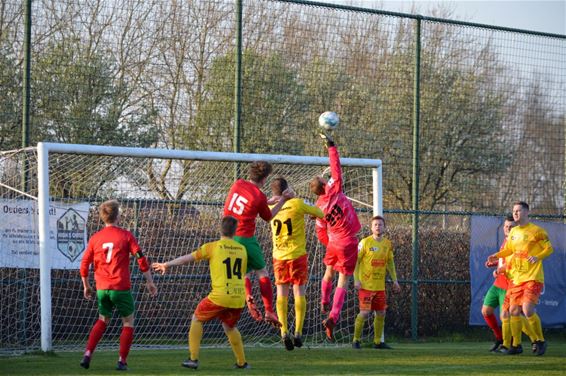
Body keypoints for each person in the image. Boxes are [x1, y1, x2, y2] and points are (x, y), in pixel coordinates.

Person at [152, 216, 250, 370]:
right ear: (235, 231)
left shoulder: (212, 247)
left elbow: (187, 259)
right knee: (229, 327)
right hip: (238, 297)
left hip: (220, 295)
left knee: (197, 319)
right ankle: (242, 363)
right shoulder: (242, 249)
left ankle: (193, 359)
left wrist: (167, 264)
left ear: (220, 229)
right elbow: (244, 274)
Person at [79, 200, 157, 371]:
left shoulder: (95, 238)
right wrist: (150, 281)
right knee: (128, 322)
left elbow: (84, 263)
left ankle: (87, 354)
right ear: (118, 216)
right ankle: (122, 361)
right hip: (120, 287)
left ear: (102, 217)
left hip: (102, 289)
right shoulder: (126, 236)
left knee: (103, 320)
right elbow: (141, 258)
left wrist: (86, 285)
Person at [224, 161, 294, 327]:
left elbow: (250, 203)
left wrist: (268, 201)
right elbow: (268, 216)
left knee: (243, 272)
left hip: (228, 237)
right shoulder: (258, 196)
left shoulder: (238, 183)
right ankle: (269, 310)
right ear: (265, 179)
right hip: (245, 237)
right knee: (262, 272)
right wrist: (283, 200)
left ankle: (248, 295)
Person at [310, 132, 361, 341]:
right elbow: (336, 167)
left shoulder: (318, 206)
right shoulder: (336, 190)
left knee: (329, 271)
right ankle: (333, 315)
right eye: (325, 178)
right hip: (348, 241)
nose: (328, 177)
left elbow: (320, 230)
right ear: (325, 185)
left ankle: (324, 299)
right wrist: (331, 146)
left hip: (332, 243)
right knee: (344, 279)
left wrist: (329, 242)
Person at [487, 201, 554, 356]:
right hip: (517, 278)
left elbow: (549, 249)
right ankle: (516, 346)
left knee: (527, 309)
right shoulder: (514, 231)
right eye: (514, 211)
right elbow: (509, 250)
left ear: (526, 212)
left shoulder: (537, 231)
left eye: (518, 210)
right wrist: (495, 256)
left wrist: (537, 257)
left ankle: (540, 341)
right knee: (513, 310)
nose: (515, 213)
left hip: (533, 277)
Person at [269, 177, 324, 350]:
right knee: (299, 291)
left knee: (281, 293)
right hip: (297, 255)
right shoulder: (298, 204)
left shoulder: (270, 207)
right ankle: (298, 332)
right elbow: (320, 213)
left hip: (279, 256)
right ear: (286, 189)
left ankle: (284, 331)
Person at [482, 216, 537, 353]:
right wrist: (494, 263)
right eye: (506, 226)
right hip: (498, 284)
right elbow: (505, 260)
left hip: (509, 285)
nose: (508, 229)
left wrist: (498, 269)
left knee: (510, 315)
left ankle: (534, 340)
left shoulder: (518, 242)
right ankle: (500, 339)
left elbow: (514, 263)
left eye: (511, 226)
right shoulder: (507, 241)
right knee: (486, 311)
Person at [351, 216, 400, 349]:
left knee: (381, 313)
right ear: (371, 228)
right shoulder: (365, 242)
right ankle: (356, 340)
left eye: (380, 224)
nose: (378, 227)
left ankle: (378, 342)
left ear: (384, 227)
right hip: (366, 286)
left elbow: (390, 263)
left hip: (380, 287)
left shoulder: (387, 244)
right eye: (376, 225)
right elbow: (356, 261)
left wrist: (395, 280)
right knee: (365, 313)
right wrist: (356, 279)